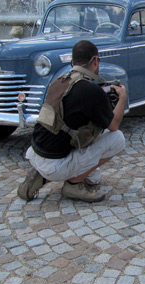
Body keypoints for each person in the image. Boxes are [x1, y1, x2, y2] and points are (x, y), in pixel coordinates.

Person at [18, 40, 127, 202]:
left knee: (93, 173)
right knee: (117, 138)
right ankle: (73, 184)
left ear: (73, 61)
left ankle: (41, 176)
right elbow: (113, 125)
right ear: (95, 60)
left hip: (35, 152)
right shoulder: (92, 91)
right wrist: (122, 98)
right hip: (54, 165)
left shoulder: (59, 81)